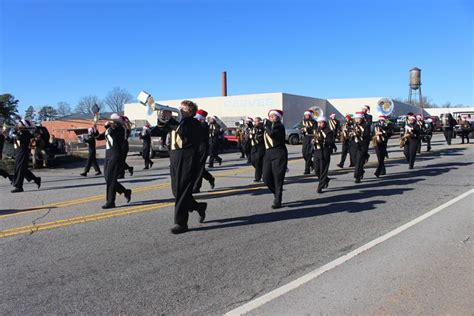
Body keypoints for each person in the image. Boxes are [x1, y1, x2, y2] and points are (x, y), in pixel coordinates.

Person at [169, 100, 207, 234]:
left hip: (187, 160)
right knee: (177, 192)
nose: (179, 110)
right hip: (174, 159)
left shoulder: (194, 123)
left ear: (190, 112)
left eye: (182, 109)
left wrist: (170, 120)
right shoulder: (178, 123)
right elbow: (158, 130)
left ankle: (181, 223)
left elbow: (184, 132)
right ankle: (198, 206)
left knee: (181, 192)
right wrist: (162, 119)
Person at [96, 114, 132, 209]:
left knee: (111, 179)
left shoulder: (120, 129)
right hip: (108, 155)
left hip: (115, 155)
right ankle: (125, 191)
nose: (113, 122)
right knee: (108, 178)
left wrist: (108, 126)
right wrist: (94, 130)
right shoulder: (110, 129)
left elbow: (114, 133)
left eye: (114, 121)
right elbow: (99, 137)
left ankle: (110, 201)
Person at [263, 109, 288, 209]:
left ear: (279, 117)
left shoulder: (279, 126)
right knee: (266, 178)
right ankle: (276, 193)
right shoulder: (268, 127)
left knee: (278, 178)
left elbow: (272, 134)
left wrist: (266, 126)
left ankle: (278, 200)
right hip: (268, 153)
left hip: (279, 152)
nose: (272, 117)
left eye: (274, 116)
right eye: (270, 116)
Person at [10, 119, 41, 193]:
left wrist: (15, 132)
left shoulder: (26, 133)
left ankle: (19, 187)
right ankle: (36, 179)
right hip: (18, 152)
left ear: (23, 125)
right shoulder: (19, 132)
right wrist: (7, 134)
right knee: (21, 168)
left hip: (23, 153)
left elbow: (18, 138)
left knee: (20, 169)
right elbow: (11, 140)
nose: (18, 124)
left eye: (20, 123)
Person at [193, 109, 215, 193]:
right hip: (195, 147)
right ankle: (210, 178)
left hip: (202, 148)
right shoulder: (197, 123)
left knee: (199, 168)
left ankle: (196, 187)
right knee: (196, 167)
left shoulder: (203, 124)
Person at [313, 116, 334, 193]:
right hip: (317, 151)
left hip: (325, 151)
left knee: (323, 170)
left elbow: (330, 141)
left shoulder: (328, 131)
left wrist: (322, 140)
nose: (319, 124)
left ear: (324, 123)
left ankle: (320, 186)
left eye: (321, 122)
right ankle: (326, 179)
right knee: (316, 170)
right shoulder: (316, 130)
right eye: (318, 122)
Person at [351, 112, 371, 183]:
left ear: (362, 119)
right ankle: (361, 171)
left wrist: (359, 134)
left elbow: (367, 135)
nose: (357, 120)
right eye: (356, 118)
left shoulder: (366, 125)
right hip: (354, 145)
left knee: (359, 161)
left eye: (358, 118)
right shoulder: (353, 125)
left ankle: (357, 177)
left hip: (362, 145)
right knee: (354, 160)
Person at [249, 116, 265, 182]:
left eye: (256, 121)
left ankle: (258, 177)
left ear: (260, 121)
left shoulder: (262, 128)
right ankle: (261, 171)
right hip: (253, 146)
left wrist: (255, 136)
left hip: (260, 146)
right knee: (253, 161)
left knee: (258, 161)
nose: (255, 122)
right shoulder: (253, 128)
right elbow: (249, 136)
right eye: (254, 121)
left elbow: (261, 137)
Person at [300, 109, 316, 174]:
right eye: (305, 115)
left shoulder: (314, 122)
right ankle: (312, 165)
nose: (306, 116)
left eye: (308, 115)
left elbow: (315, 130)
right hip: (306, 138)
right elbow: (301, 128)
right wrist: (302, 130)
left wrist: (309, 128)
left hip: (311, 137)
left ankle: (307, 170)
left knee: (309, 154)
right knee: (304, 154)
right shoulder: (303, 121)